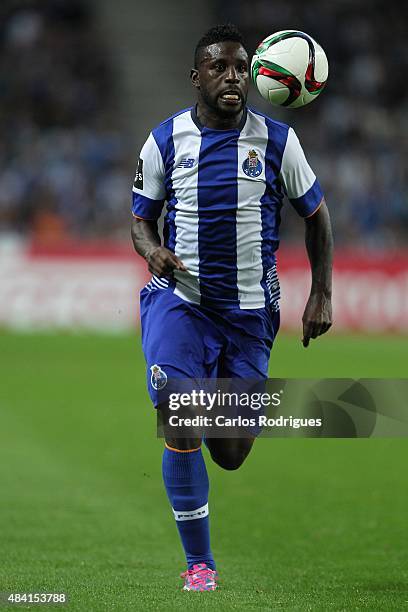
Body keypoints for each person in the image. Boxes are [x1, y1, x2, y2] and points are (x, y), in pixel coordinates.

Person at [131, 23, 333, 592]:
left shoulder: (277, 141)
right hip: (183, 304)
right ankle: (201, 564)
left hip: (249, 316)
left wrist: (321, 292)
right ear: (196, 77)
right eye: (219, 67)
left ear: (255, 75)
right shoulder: (165, 140)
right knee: (180, 412)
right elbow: (141, 220)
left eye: (241, 68)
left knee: (233, 452)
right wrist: (153, 251)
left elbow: (316, 215)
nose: (232, 77)